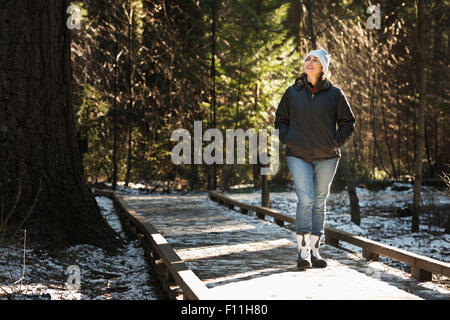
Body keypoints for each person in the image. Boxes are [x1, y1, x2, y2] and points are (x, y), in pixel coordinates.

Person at [275, 49, 356, 270]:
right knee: (306, 200)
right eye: (307, 59)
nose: (309, 62)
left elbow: (348, 123)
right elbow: (280, 121)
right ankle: (302, 253)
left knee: (319, 202)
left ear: (323, 67)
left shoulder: (335, 94)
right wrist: (289, 139)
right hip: (298, 155)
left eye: (315, 60)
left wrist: (334, 142)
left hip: (327, 156)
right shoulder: (292, 92)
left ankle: (315, 251)